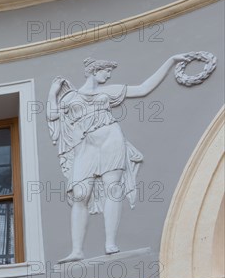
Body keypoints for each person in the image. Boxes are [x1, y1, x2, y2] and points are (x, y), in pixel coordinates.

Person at [47, 55, 188, 263]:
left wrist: (171, 61)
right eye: (106, 71)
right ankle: (77, 250)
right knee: (79, 194)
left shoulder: (110, 91)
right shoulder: (70, 97)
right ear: (95, 71)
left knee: (113, 188)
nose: (109, 74)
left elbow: (143, 88)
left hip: (111, 138)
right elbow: (51, 115)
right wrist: (53, 91)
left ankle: (110, 243)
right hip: (85, 146)